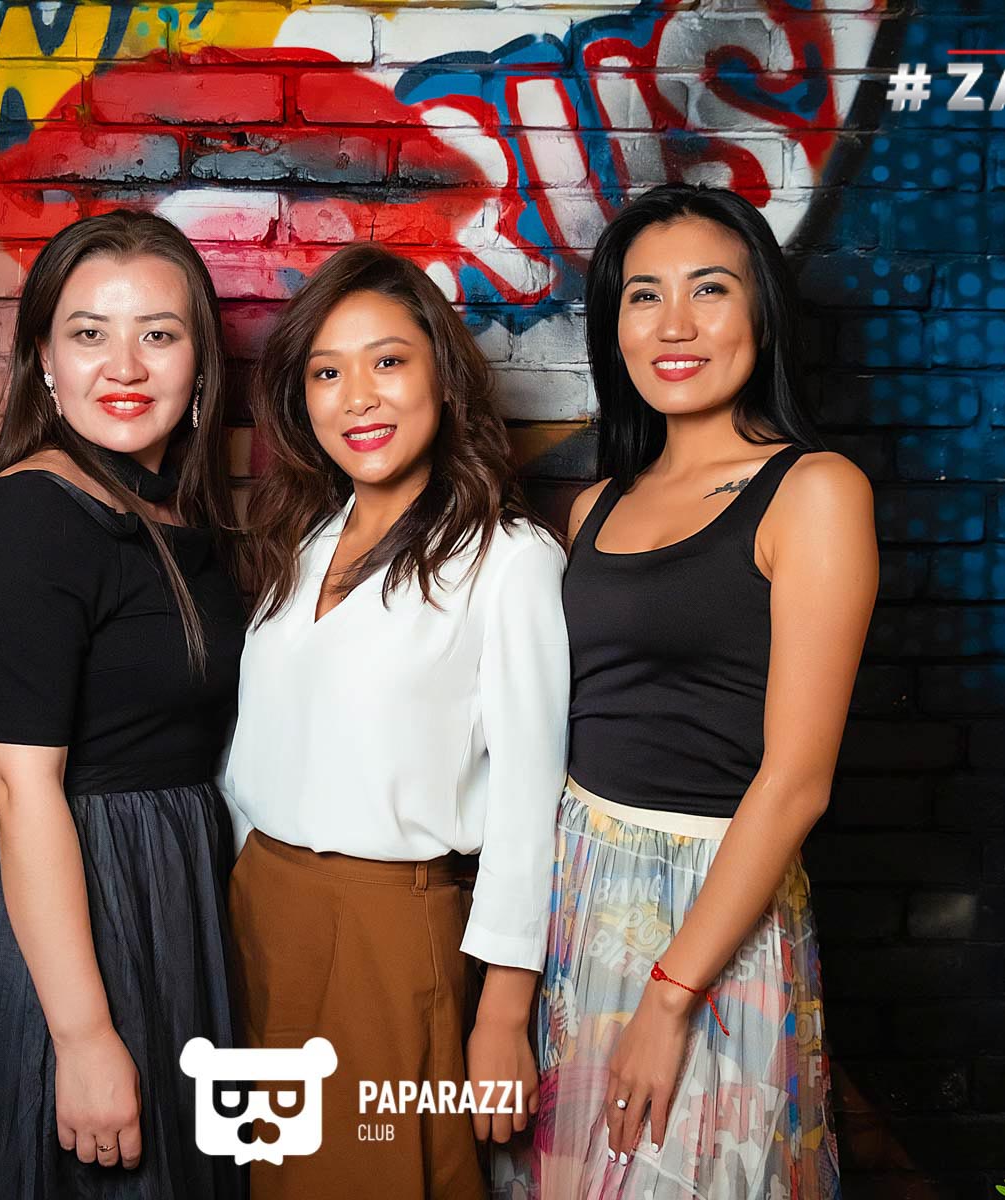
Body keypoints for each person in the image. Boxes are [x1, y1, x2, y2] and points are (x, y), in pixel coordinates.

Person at [516, 183, 876, 1199]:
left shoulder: (814, 492)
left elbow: (796, 782)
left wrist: (671, 996)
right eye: (644, 296)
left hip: (711, 910)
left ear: (761, 310)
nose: (673, 325)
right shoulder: (595, 504)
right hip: (577, 888)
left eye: (708, 290)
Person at [0, 211, 246, 1199]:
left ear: (199, 362)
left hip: (161, 887)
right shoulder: (33, 514)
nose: (124, 366)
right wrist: (85, 1036)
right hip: (76, 910)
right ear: (45, 362)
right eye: (89, 333)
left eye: (158, 334)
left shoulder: (172, 509)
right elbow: (20, 788)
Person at [222, 244, 570, 1199]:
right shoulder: (303, 542)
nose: (358, 397)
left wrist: (503, 1015)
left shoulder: (509, 560)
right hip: (258, 911)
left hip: (383, 926)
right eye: (327, 373)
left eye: (387, 361)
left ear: (443, 378)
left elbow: (531, 802)